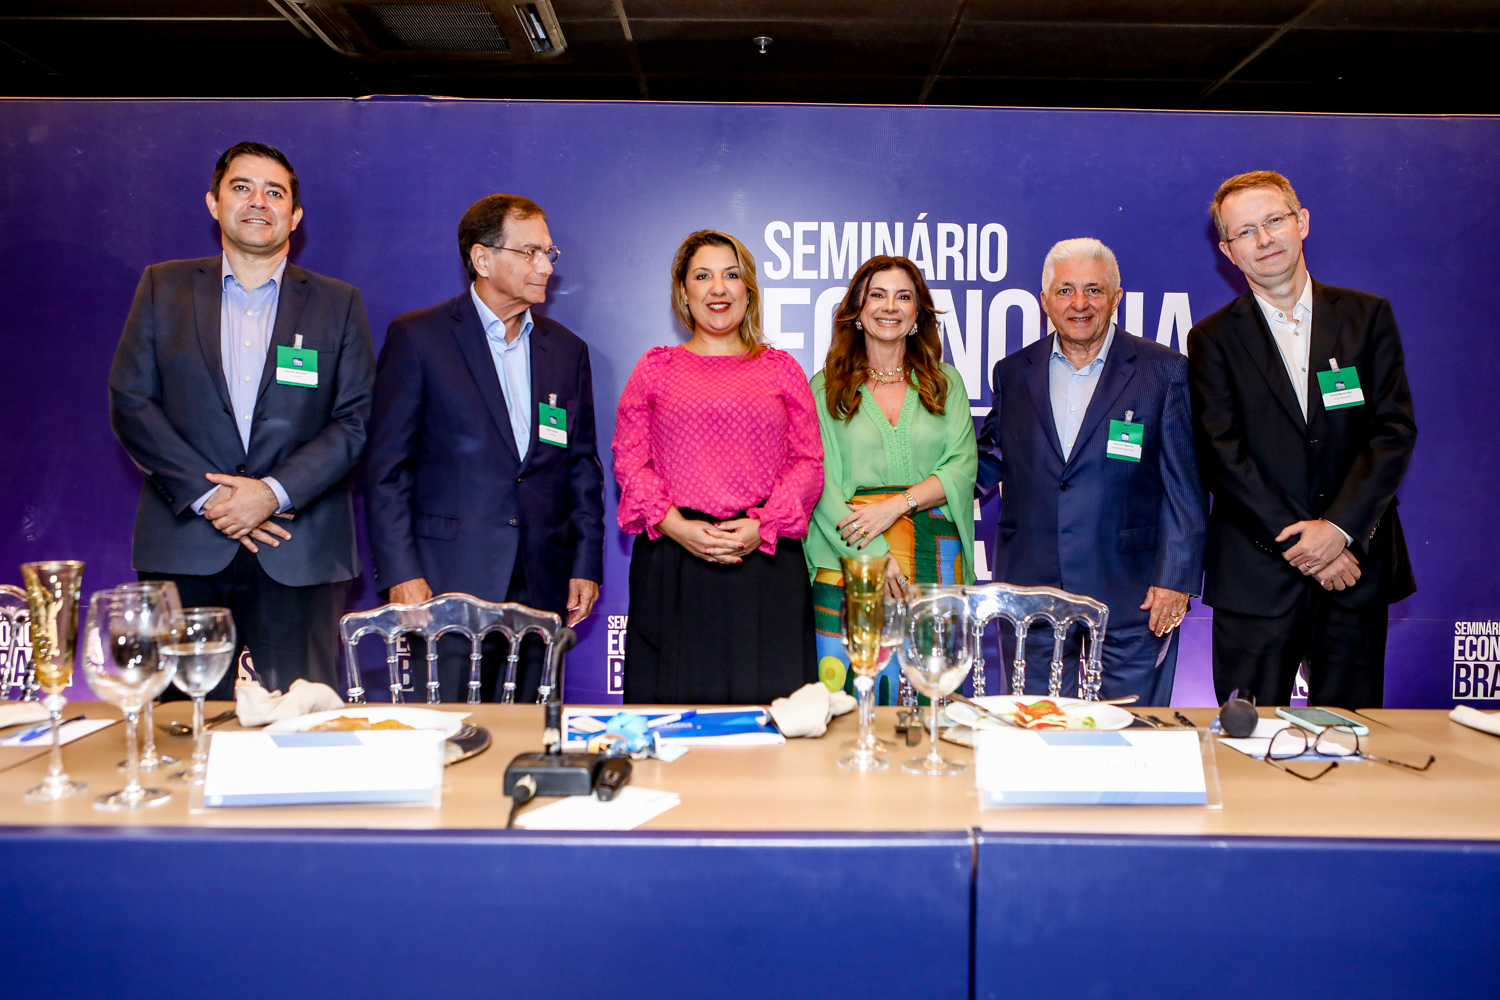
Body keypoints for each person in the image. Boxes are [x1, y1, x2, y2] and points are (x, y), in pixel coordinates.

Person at [109, 140, 376, 696]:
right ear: (214, 203)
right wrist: (213, 498)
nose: (258, 201)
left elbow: (355, 421)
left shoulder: (339, 303)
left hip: (298, 547)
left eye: (274, 193)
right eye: (242, 188)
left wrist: (271, 493)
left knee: (302, 725)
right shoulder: (162, 287)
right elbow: (132, 401)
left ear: (295, 216)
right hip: (184, 545)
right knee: (182, 726)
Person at [1188, 170, 1416, 709]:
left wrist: (1337, 530)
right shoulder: (1212, 339)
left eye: (1274, 220)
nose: (1264, 239)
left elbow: (1392, 431)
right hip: (1257, 578)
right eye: (1245, 232)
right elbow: (1223, 455)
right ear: (1228, 251)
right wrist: (1307, 547)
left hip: (1354, 569)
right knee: (1245, 739)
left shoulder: (1367, 317)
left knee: (1347, 738)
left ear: (1302, 222)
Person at [363, 194, 604, 702]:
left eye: (548, 253)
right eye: (530, 252)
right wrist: (402, 573)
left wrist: (585, 563)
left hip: (541, 585)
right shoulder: (419, 338)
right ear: (482, 258)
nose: (545, 266)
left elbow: (582, 467)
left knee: (531, 732)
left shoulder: (567, 350)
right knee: (448, 732)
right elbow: (387, 469)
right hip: (445, 586)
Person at [975, 238, 1206, 704]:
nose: (1079, 303)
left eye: (1093, 290)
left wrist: (1176, 579)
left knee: (1135, 731)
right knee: (1033, 730)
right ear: (1045, 300)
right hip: (1032, 594)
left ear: (1116, 297)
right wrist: (913, 491)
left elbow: (1186, 487)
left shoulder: (1164, 371)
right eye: (1065, 290)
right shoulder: (1013, 372)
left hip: (1133, 594)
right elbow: (989, 458)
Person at [613, 230, 823, 704]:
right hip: (675, 561)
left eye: (731, 275)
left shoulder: (781, 368)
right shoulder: (655, 368)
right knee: (673, 716)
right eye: (703, 276)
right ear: (683, 292)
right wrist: (677, 527)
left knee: (771, 718)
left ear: (748, 290)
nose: (718, 288)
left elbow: (808, 463)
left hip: (765, 561)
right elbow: (630, 460)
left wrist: (762, 526)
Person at [804, 255, 977, 702]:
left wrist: (895, 506)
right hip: (847, 559)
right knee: (848, 701)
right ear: (857, 311)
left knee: (932, 705)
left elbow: (961, 467)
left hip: (935, 563)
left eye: (903, 297)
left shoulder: (946, 383)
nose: (890, 306)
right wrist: (875, 557)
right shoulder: (824, 389)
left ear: (918, 313)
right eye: (877, 295)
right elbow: (818, 485)